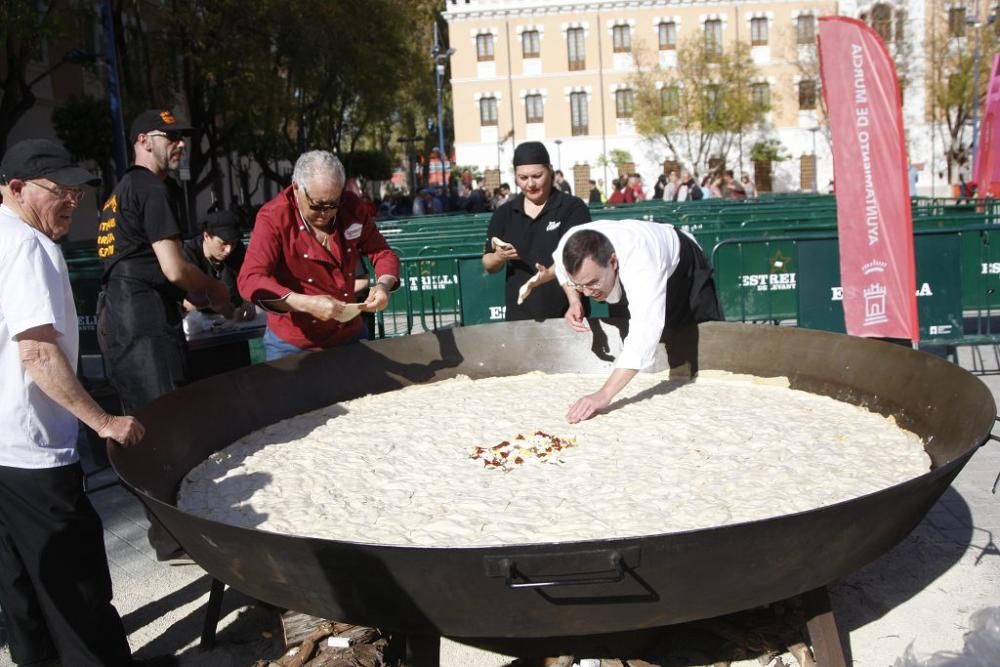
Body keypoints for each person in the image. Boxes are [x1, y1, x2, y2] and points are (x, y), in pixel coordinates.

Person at [0, 139, 145, 666]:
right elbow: (37, 353)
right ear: (17, 189)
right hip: (35, 452)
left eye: (77, 193)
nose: (71, 201)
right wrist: (103, 421)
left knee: (23, 591)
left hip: (4, 450)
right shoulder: (27, 245)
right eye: (59, 191)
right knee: (77, 592)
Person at [97, 109, 232, 562]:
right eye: (168, 136)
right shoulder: (150, 187)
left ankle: (169, 535)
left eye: (182, 137)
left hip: (121, 318)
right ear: (141, 140)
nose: (179, 144)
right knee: (164, 427)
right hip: (142, 323)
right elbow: (174, 268)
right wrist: (213, 287)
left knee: (148, 425)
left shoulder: (122, 191)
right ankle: (178, 538)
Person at [553, 219, 723, 423]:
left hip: (683, 269)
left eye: (593, 283)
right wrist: (574, 300)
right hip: (627, 267)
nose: (588, 293)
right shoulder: (568, 246)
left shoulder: (642, 261)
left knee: (693, 337)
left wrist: (603, 395)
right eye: (581, 286)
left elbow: (644, 332)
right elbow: (562, 273)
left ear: (613, 262)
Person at [238, 150, 399, 360]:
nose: (327, 212)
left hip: (349, 333)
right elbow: (250, 279)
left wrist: (383, 285)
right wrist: (306, 303)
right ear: (296, 189)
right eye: (317, 205)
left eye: (334, 203)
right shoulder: (274, 217)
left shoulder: (351, 207)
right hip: (293, 344)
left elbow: (382, 252)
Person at [481, 141, 591, 321]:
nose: (530, 184)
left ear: (550, 171)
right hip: (519, 316)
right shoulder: (504, 214)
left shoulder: (572, 208)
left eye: (537, 176)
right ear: (515, 176)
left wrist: (552, 278)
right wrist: (498, 257)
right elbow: (488, 262)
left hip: (567, 314)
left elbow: (576, 258)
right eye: (523, 178)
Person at [181, 209, 254, 320]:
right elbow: (182, 300)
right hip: (198, 319)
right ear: (206, 236)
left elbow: (248, 280)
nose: (229, 250)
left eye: (233, 243)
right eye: (223, 243)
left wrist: (248, 302)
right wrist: (215, 303)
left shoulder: (238, 250)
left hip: (234, 317)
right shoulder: (188, 253)